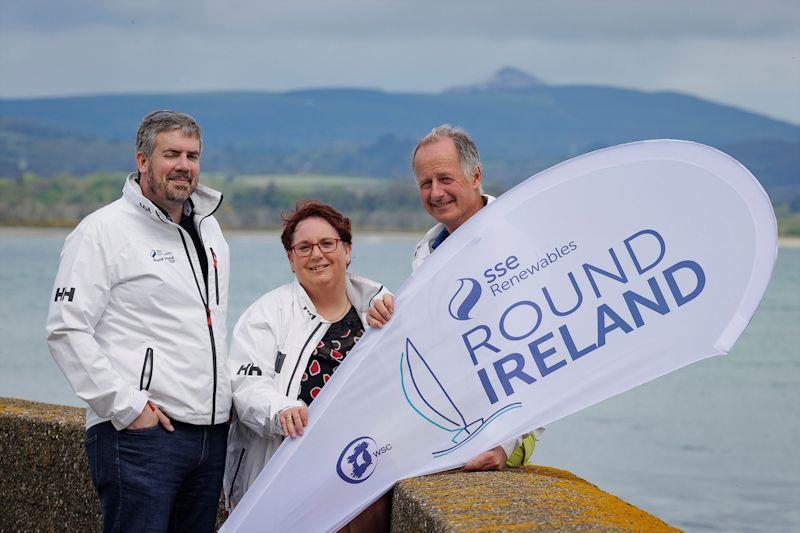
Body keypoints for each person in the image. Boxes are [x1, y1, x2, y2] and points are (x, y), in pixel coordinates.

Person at [46, 110, 231, 532]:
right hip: (141, 436)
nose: (185, 166)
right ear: (143, 161)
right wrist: (126, 407)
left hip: (209, 435)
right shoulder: (101, 231)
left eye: (193, 155)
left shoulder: (211, 230)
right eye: (172, 154)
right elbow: (65, 328)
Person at [368, 124, 542, 470]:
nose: (436, 193)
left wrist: (505, 446)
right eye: (425, 183)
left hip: (503, 431)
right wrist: (383, 315)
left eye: (445, 179)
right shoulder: (427, 251)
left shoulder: (516, 244)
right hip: (446, 423)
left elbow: (541, 350)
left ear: (475, 176)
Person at [224, 201, 390, 530]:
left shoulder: (381, 312)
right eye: (304, 247)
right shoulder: (267, 314)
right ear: (290, 259)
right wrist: (282, 409)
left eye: (327, 244)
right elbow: (246, 386)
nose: (316, 255)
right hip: (284, 477)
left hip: (359, 476)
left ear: (347, 250)